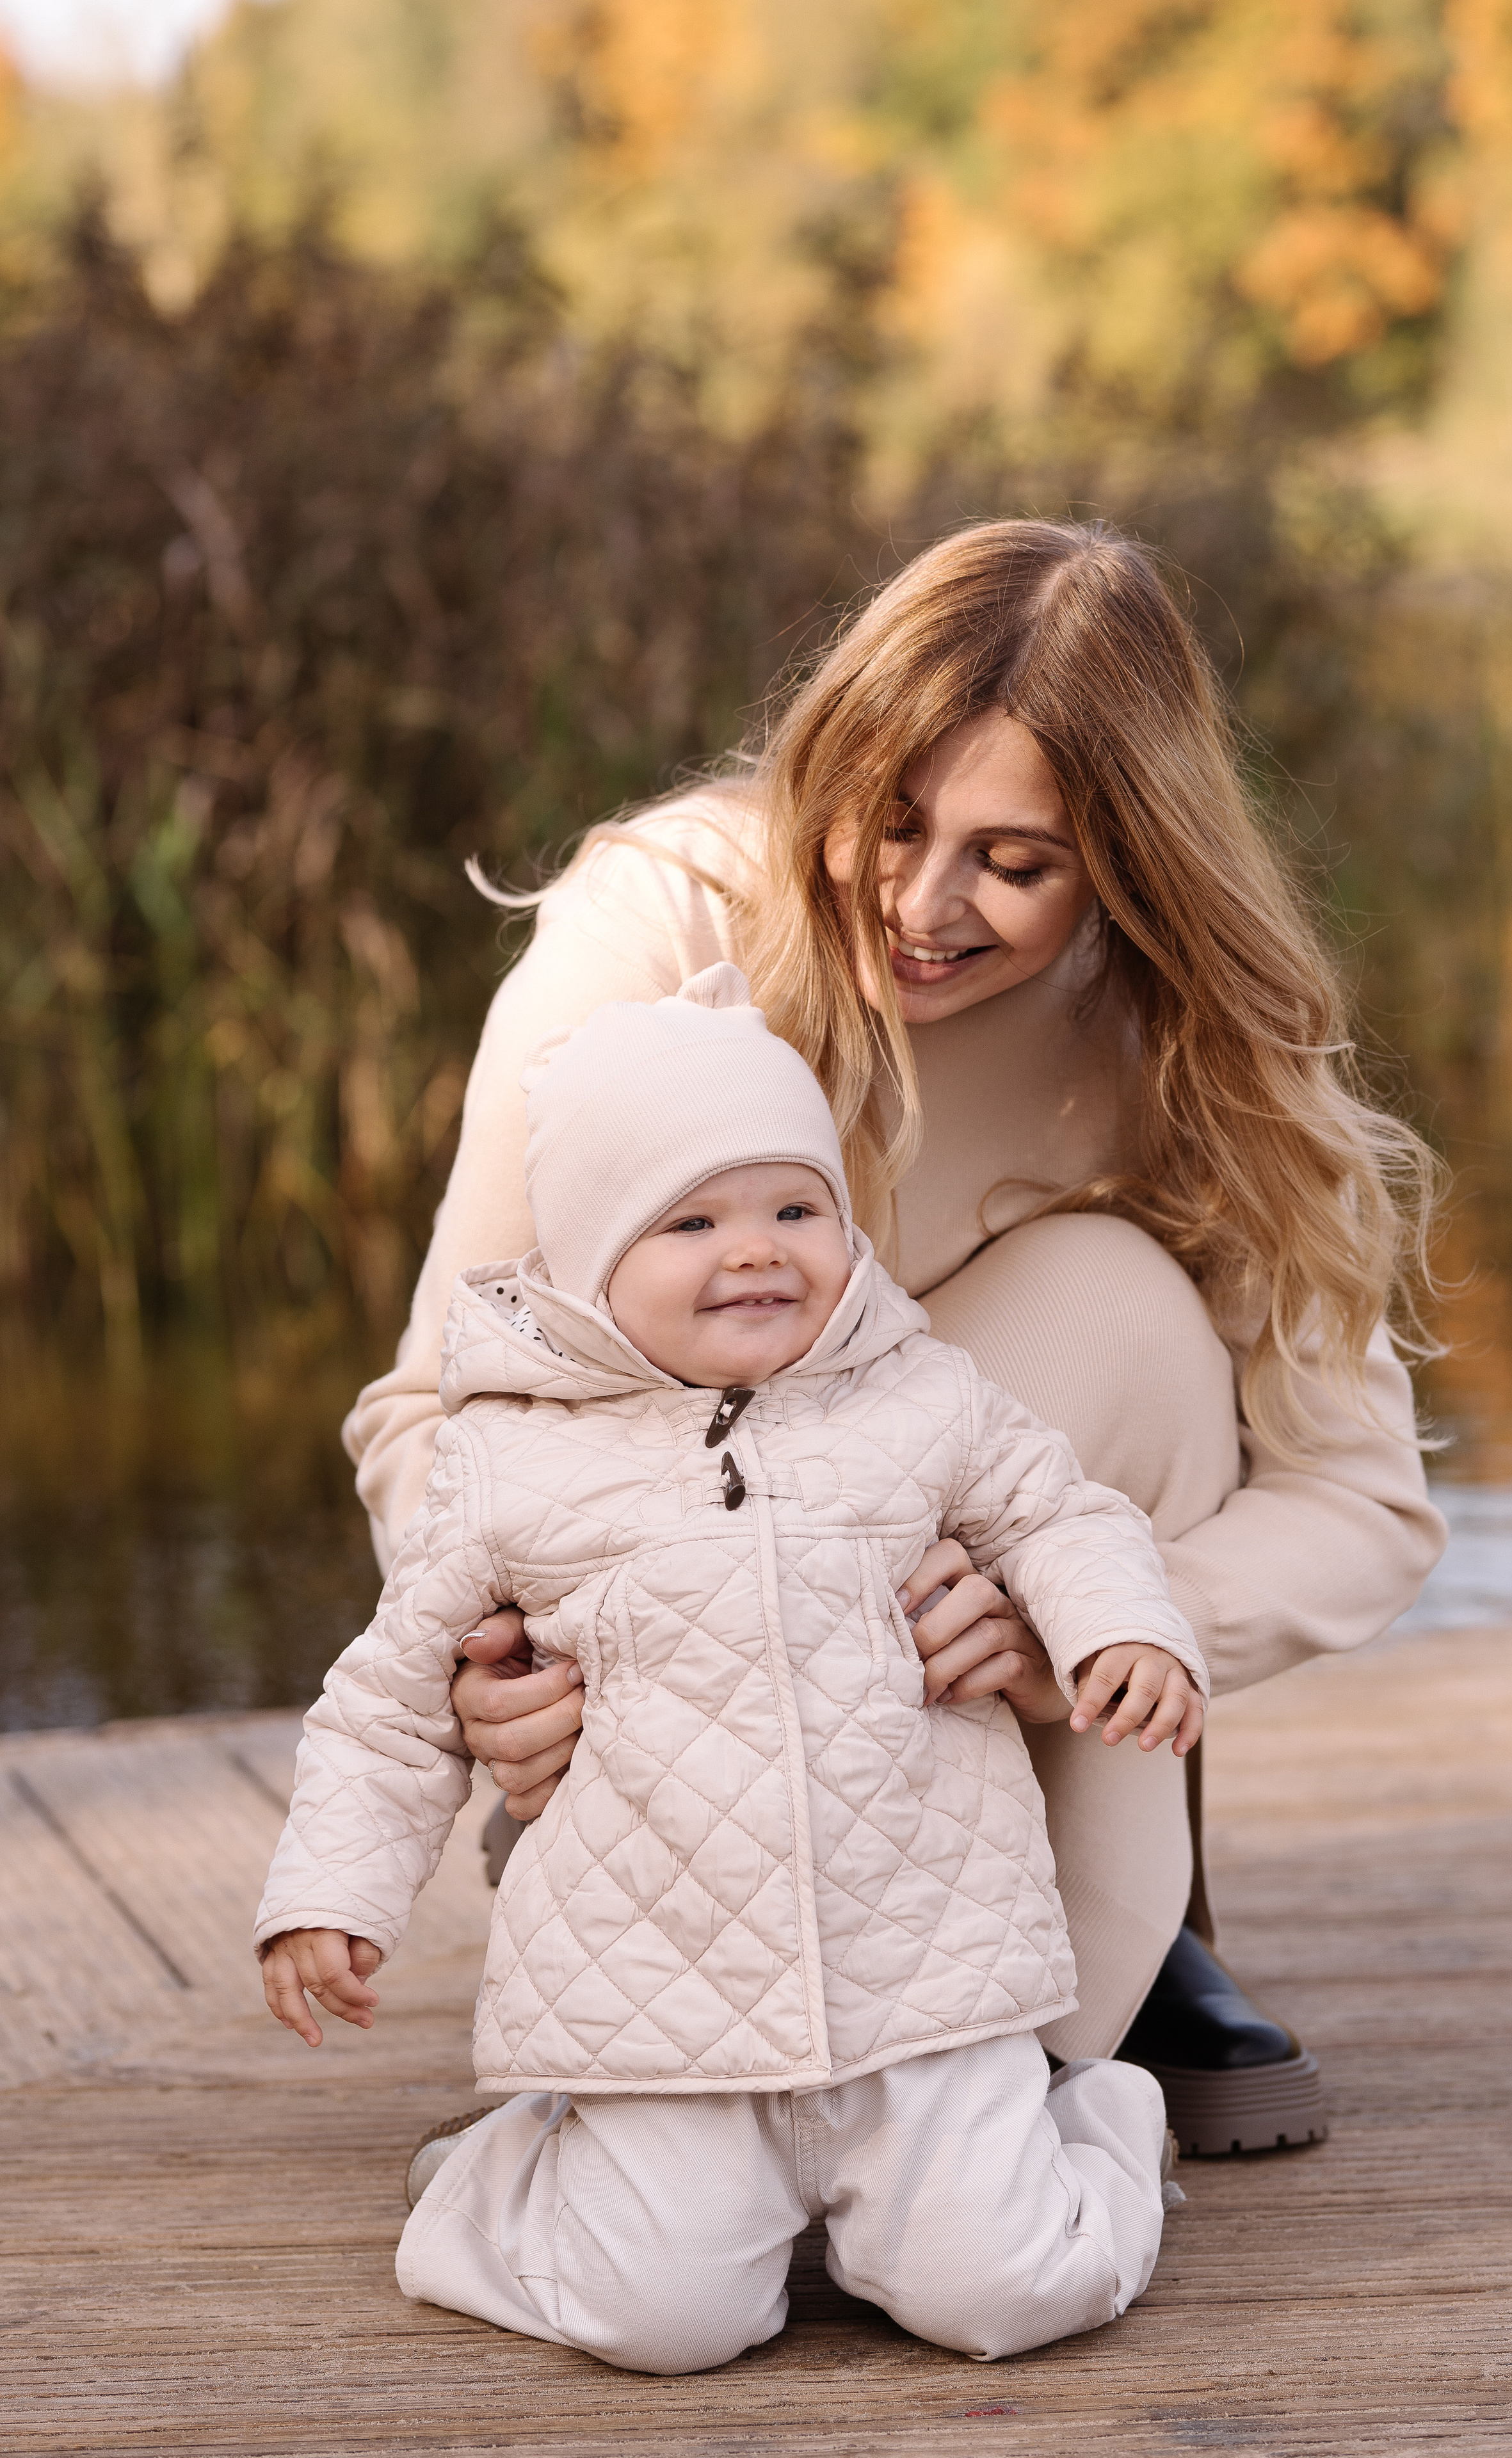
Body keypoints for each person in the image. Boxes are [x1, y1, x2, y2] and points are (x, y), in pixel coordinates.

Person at [343, 517, 1447, 2157]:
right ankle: (693, 1994)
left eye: (1016, 862)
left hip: (966, 1608)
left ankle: (1059, 1996)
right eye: (892, 820)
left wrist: (1077, 1624)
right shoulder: (657, 924)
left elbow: (1358, 1504)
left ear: (1129, 861)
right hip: (667, 1665)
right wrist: (494, 1662)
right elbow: (443, 1396)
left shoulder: (1187, 1039)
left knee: (1121, 1310)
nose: (924, 907)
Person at [257, 964, 1207, 2372]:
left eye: (791, 1208)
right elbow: (390, 1705)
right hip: (662, 1999)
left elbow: (1060, 1513)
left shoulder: (918, 1395)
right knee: (664, 2324)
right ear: (588, 1264)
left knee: (1007, 2295)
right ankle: (509, 2175)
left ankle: (1100, 2121)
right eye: (689, 1219)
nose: (752, 1249)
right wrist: (329, 1894)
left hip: (924, 1978)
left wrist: (1117, 1629)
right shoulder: (509, 1465)